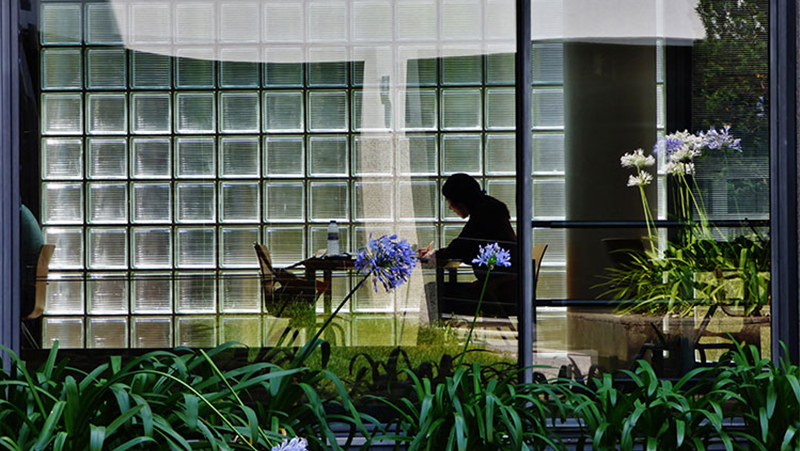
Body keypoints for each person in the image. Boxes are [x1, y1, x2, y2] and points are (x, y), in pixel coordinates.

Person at [419, 173, 518, 320]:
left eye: (449, 201)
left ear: (460, 200)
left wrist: (430, 256)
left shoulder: (484, 216)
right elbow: (463, 247)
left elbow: (460, 247)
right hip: (507, 290)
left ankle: (435, 336)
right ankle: (444, 334)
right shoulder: (490, 211)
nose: (450, 207)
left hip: (498, 294)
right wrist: (438, 254)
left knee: (432, 291)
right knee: (436, 290)